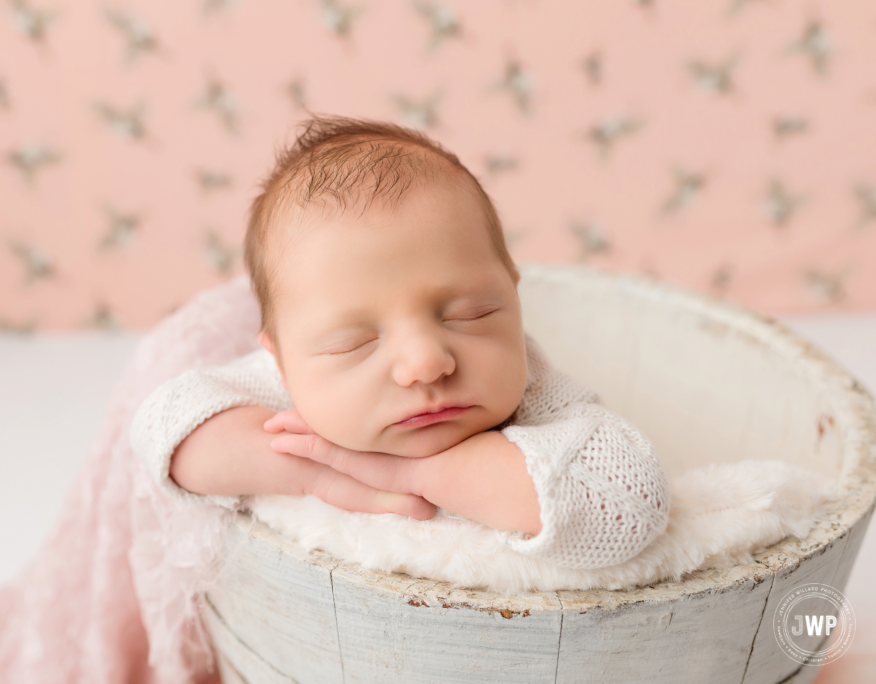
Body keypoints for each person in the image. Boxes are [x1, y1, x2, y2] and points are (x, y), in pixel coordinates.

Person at [130, 114, 671, 571]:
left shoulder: (537, 396)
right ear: (282, 359)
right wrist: (320, 469)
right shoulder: (290, 387)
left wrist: (411, 473)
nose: (426, 363)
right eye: (353, 342)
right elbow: (164, 428)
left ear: (513, 294)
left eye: (470, 313)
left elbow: (630, 505)